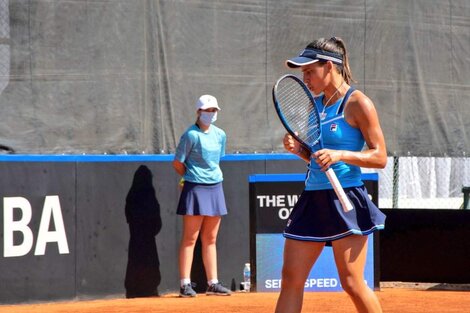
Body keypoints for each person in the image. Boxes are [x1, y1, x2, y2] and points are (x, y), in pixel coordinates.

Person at [274, 37, 387, 313]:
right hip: (312, 197)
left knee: (351, 282)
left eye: (310, 71)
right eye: (303, 72)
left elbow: (380, 156)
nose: (306, 78)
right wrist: (300, 151)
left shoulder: (359, 103)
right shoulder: (316, 106)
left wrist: (340, 155)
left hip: (346, 197)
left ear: (329, 66)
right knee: (290, 279)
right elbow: (317, 158)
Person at [173, 94, 231, 297]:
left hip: (215, 187)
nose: (211, 114)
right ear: (198, 112)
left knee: (211, 238)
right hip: (195, 188)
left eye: (214, 110)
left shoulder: (220, 135)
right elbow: (178, 163)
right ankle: (185, 284)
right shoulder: (190, 135)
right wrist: (188, 178)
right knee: (190, 238)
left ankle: (213, 283)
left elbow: (216, 161)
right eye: (207, 110)